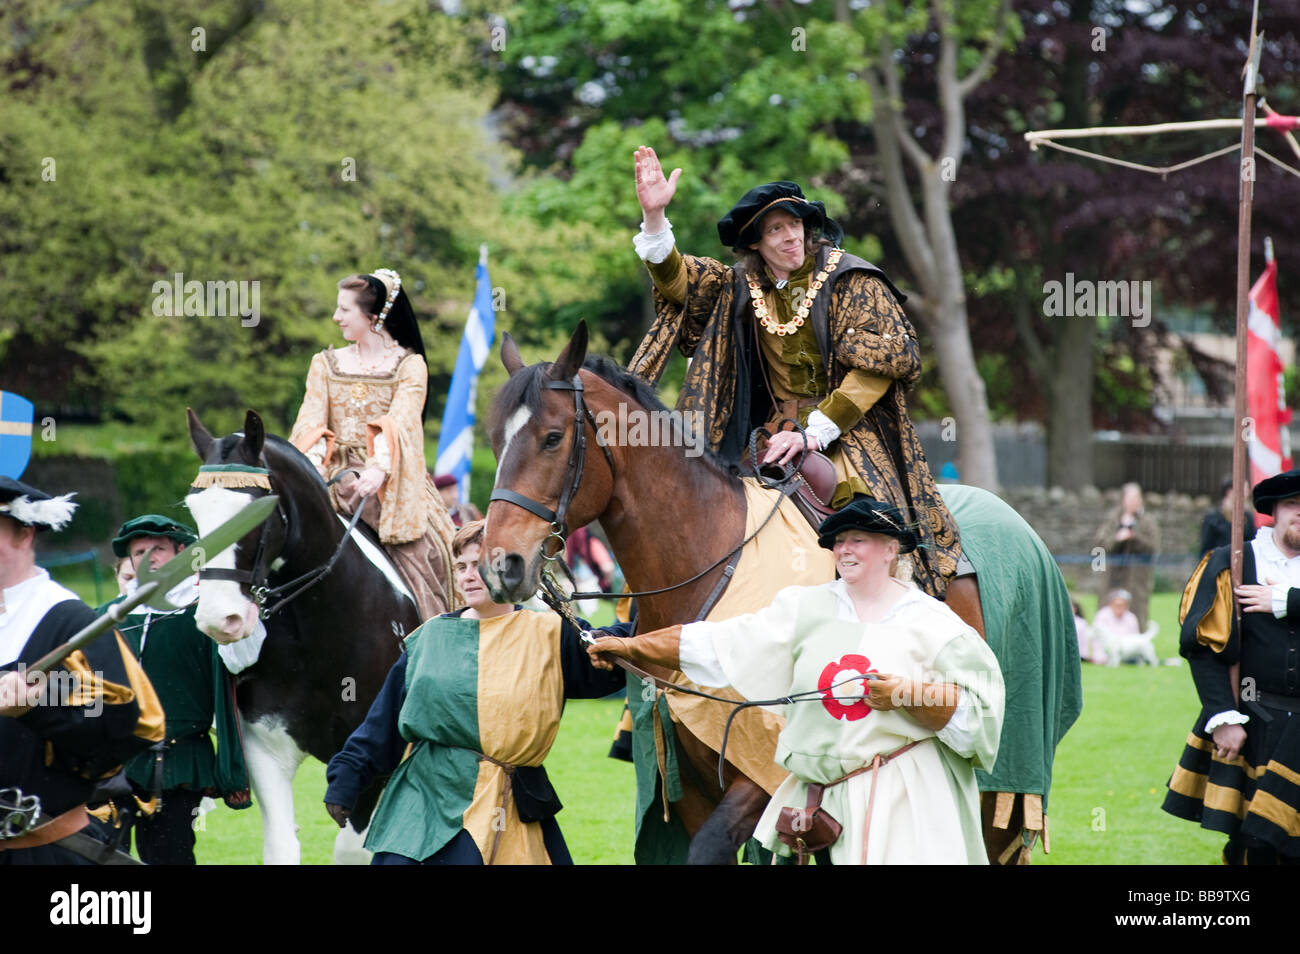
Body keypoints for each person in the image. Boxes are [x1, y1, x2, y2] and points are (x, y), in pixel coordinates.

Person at [589, 498, 1004, 864]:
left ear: (891, 549)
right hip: (818, 804)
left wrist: (906, 694)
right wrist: (633, 647)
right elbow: (718, 642)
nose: (844, 549)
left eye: (857, 539)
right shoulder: (805, 608)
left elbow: (979, 716)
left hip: (902, 797)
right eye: (838, 541)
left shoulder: (934, 625)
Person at [626, 147, 961, 597]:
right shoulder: (740, 287)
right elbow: (679, 282)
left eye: (796, 224)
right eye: (776, 229)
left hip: (846, 432)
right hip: (765, 432)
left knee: (873, 522)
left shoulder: (853, 280)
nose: (791, 237)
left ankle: (901, 611)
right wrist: (654, 218)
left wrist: (813, 434)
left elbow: (876, 370)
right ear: (754, 244)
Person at [323, 519, 631, 864]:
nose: (468, 575)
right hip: (420, 799)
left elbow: (615, 651)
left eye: (480, 565)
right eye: (461, 566)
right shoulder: (428, 638)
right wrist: (346, 777)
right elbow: (383, 723)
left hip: (503, 801)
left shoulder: (549, 634)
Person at [0, 477, 164, 865]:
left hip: (45, 853)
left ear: (25, 534)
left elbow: (131, 725)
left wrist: (38, 707)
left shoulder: (66, 621)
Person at [290, 268, 457, 620]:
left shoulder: (409, 366)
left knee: (434, 549)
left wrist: (379, 468)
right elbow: (311, 421)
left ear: (373, 315)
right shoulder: (324, 363)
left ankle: (437, 629)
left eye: (344, 310)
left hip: (391, 478)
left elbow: (402, 421)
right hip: (332, 474)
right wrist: (314, 468)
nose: (336, 318)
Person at [1163, 468, 1300, 862]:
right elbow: (1202, 645)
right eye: (1292, 503)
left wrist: (1288, 602)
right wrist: (1222, 716)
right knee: (1253, 845)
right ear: (1273, 510)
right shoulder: (1233, 562)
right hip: (1256, 720)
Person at [96, 515, 250, 864]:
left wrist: (232, 772)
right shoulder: (105, 618)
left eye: (158, 549)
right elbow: (88, 692)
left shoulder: (205, 618)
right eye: (138, 551)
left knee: (169, 859)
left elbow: (230, 694)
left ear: (181, 552)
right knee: (98, 857)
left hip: (176, 763)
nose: (147, 556)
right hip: (109, 762)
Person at [1093, 482, 1160, 627]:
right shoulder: (1112, 519)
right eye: (1130, 498)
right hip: (1111, 575)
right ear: (1123, 500)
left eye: (1137, 498)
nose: (1134, 502)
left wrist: (1134, 537)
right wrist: (1117, 538)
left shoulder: (1147, 522)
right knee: (1106, 609)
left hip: (1136, 577)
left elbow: (1154, 548)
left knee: (1136, 612)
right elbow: (1099, 545)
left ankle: (1137, 643)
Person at [1199, 475, 1257, 557]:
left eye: (1247, 489)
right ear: (1229, 491)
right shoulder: (1212, 518)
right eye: (1244, 488)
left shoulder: (1247, 517)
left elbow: (1252, 545)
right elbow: (1205, 550)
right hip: (1220, 565)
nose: (1247, 492)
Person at [1090, 589, 1139, 666]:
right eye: (1117, 605)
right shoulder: (1102, 615)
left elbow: (1135, 638)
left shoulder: (1131, 617)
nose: (1120, 607)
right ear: (1110, 604)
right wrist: (1099, 657)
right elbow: (1096, 639)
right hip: (1105, 654)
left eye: (1123, 605)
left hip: (1126, 653)